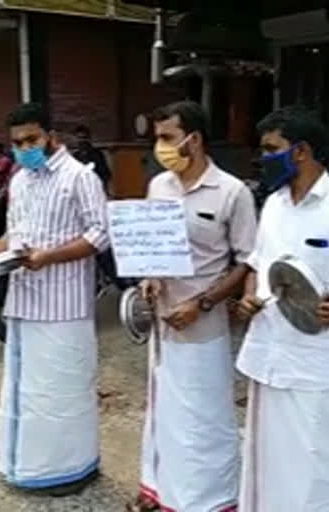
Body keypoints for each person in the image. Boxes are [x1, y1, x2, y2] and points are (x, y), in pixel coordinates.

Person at [235, 106, 329, 512]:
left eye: (270, 149)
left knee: (317, 462)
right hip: (267, 353)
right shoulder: (273, 204)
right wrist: (249, 296)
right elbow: (256, 267)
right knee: (267, 459)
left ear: (300, 151)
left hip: (316, 361)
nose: (263, 158)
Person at [130, 101, 258, 512]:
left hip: (204, 328)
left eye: (167, 137)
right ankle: (161, 490)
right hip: (163, 327)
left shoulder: (232, 192)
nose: (160, 147)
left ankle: (208, 501)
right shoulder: (158, 187)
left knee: (205, 420)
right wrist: (149, 279)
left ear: (194, 139)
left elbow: (246, 261)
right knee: (164, 412)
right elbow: (151, 248)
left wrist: (202, 303)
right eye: (158, 138)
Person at [0, 103, 109, 495]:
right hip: (23, 301)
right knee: (28, 391)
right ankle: (27, 466)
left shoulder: (78, 178)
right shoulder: (20, 180)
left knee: (62, 391)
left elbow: (100, 234)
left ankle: (71, 469)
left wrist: (48, 257)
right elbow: (16, 234)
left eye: (31, 140)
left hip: (63, 306)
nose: (24, 148)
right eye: (17, 143)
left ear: (51, 136)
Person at [72, 125, 111, 193]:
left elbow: (106, 175)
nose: (82, 140)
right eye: (79, 138)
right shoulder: (75, 156)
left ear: (89, 138)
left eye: (84, 138)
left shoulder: (97, 154)